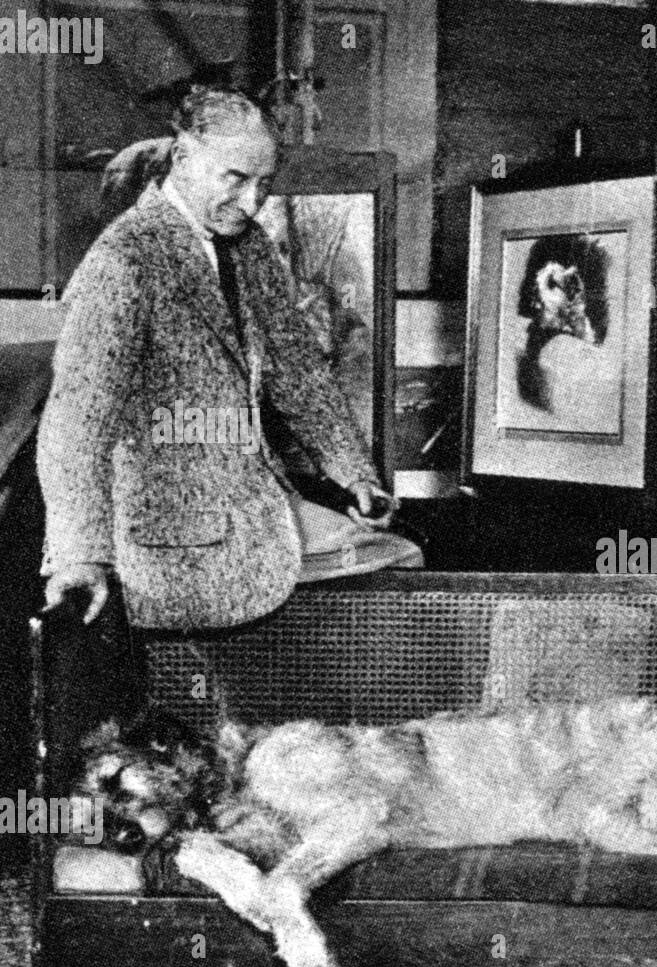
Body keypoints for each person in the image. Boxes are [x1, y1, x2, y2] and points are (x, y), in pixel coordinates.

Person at [38, 85, 401, 631]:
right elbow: (75, 424)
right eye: (236, 179)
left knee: (398, 559)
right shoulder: (125, 258)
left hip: (251, 505)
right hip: (169, 542)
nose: (253, 202)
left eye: (264, 184)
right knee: (387, 571)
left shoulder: (248, 244)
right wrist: (79, 555)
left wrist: (353, 473)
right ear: (182, 158)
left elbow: (298, 371)